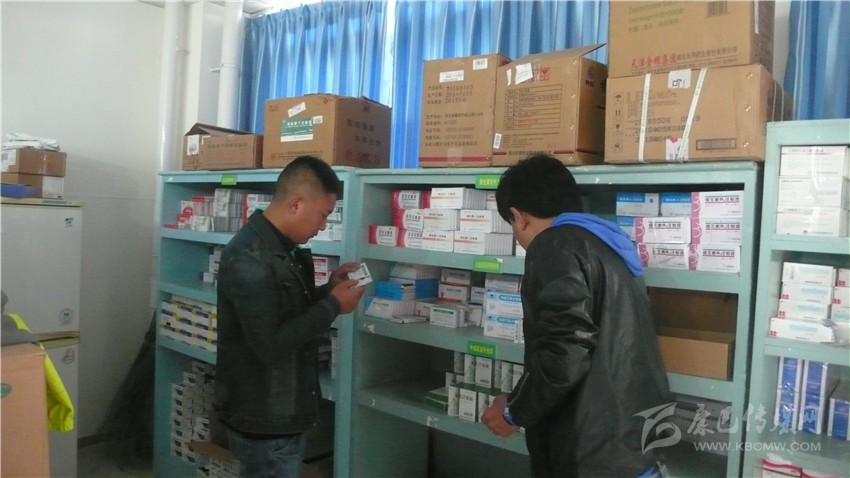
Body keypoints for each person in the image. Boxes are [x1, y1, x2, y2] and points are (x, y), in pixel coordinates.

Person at [481, 153, 672, 478]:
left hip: (590, 453)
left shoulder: (553, 246)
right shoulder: (608, 244)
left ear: (518, 216)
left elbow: (564, 355)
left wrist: (513, 412)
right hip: (631, 443)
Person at [214, 155, 365, 478]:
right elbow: (269, 345)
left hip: (279, 414)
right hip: (264, 421)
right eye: (323, 215)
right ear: (296, 203)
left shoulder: (280, 248)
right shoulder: (250, 259)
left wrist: (329, 290)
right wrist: (333, 306)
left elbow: (286, 310)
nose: (323, 225)